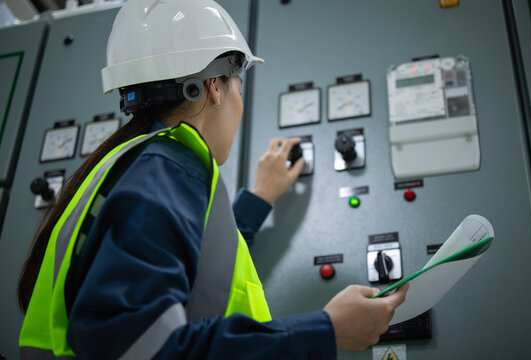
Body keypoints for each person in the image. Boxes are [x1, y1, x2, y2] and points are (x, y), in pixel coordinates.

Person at [17, 0, 408, 359]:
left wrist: (258, 198)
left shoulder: (143, 166)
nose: (240, 98)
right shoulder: (167, 170)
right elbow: (142, 348)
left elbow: (201, 266)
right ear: (213, 88)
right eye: (239, 82)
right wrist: (326, 331)